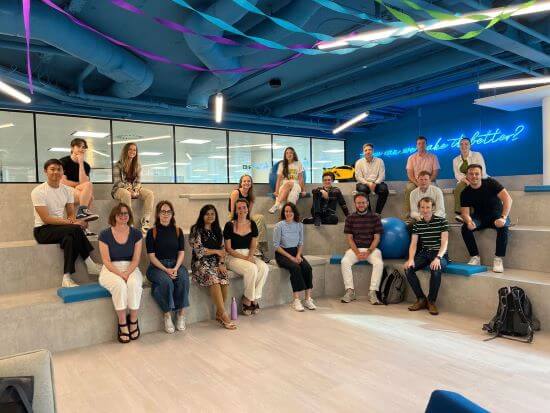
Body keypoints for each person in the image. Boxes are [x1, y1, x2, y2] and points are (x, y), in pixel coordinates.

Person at [32, 159, 101, 287]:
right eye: (52, 169)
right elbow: (46, 218)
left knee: (70, 238)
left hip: (61, 228)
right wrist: (71, 224)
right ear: (45, 171)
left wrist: (76, 221)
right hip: (43, 230)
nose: (56, 172)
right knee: (75, 230)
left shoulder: (67, 190)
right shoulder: (38, 191)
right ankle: (90, 263)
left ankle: (66, 277)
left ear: (63, 172)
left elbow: (70, 214)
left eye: (59, 169)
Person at [98, 203, 144, 343]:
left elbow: (136, 259)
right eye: (120, 214)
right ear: (114, 216)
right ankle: (122, 323)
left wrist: (128, 273)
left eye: (126, 213)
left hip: (131, 267)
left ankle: (134, 321)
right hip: (111, 269)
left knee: (134, 284)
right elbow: (106, 260)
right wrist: (120, 274)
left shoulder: (136, 233)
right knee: (119, 285)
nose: (123, 216)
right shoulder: (105, 234)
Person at [189, 205, 236, 330]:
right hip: (200, 263)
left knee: (224, 278)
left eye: (213, 214)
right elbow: (199, 251)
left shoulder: (217, 230)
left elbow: (222, 249)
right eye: (207, 214)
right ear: (202, 215)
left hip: (215, 263)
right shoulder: (196, 229)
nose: (210, 216)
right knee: (214, 279)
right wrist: (216, 252)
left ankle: (218, 313)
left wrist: (221, 263)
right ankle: (224, 314)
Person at [146, 201, 190, 334]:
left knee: (183, 278)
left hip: (175, 264)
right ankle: (167, 315)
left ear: (172, 214)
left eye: (168, 212)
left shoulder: (178, 231)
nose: (165, 214)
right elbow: (152, 257)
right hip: (157, 267)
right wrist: (166, 270)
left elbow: (182, 253)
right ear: (158, 214)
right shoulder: (151, 232)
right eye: (162, 211)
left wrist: (176, 268)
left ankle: (181, 315)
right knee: (166, 282)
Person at [460, 164, 512, 273]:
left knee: (504, 227)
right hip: (480, 217)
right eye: (471, 174)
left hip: (497, 215)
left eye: (477, 174)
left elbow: (508, 199)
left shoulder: (491, 183)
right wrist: (469, 221)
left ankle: (498, 258)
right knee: (465, 227)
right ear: (467, 176)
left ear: (481, 175)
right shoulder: (465, 192)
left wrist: (503, 217)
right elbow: (465, 213)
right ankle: (475, 257)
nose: (474, 176)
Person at [404, 197, 449, 316]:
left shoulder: (442, 221)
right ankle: (421, 299)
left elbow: (445, 243)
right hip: (424, 253)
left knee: (435, 268)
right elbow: (413, 244)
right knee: (408, 269)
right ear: (419, 209)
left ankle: (431, 301)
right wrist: (410, 259)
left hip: (439, 253)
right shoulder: (418, 224)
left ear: (433, 208)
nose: (425, 210)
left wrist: (438, 258)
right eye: (422, 207)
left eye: (428, 207)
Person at [224, 199, 269, 316]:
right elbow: (228, 249)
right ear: (235, 210)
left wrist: (250, 256)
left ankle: (252, 298)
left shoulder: (252, 224)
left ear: (248, 209)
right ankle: (247, 301)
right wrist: (245, 258)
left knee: (264, 268)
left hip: (248, 254)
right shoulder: (229, 225)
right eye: (239, 208)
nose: (242, 210)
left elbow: (253, 244)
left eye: (244, 207)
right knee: (252, 268)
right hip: (233, 256)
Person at [340, 193, 385, 305]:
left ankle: (372, 292)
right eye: (358, 203)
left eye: (363, 202)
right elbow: (350, 239)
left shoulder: (375, 217)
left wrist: (368, 251)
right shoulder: (350, 218)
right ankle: (350, 291)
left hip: (372, 250)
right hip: (355, 249)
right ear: (355, 204)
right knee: (345, 261)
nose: (361, 205)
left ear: (367, 203)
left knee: (379, 263)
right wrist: (357, 253)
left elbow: (377, 238)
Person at [273, 202, 316, 312]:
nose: (288, 213)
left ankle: (307, 299)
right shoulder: (279, 226)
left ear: (294, 212)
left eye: (290, 211)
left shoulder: (299, 225)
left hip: (296, 252)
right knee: (295, 268)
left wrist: (297, 255)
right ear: (283, 213)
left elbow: (301, 243)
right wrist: (291, 258)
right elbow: (276, 246)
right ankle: (296, 300)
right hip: (282, 253)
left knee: (307, 268)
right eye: (286, 211)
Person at [112, 142, 155, 235]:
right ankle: (129, 222)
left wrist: (135, 190)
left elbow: (138, 182)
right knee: (126, 194)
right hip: (119, 189)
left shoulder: (137, 165)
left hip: (133, 189)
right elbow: (118, 182)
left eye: (134, 150)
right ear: (125, 151)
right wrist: (129, 189)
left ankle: (145, 221)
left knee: (149, 194)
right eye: (130, 149)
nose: (132, 151)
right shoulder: (118, 165)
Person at [228, 174, 269, 262]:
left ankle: (259, 248)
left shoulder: (252, 196)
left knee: (260, 218)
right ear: (241, 183)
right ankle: (257, 250)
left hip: (245, 216)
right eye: (244, 181)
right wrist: (233, 222)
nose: (247, 183)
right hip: (235, 216)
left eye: (248, 181)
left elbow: (248, 213)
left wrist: (249, 222)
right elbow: (232, 211)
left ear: (251, 183)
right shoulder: (236, 193)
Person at [59, 138, 99, 223]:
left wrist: (81, 163)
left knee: (88, 185)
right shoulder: (63, 162)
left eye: (83, 147)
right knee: (89, 197)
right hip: (63, 190)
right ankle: (83, 224)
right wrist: (77, 185)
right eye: (78, 146)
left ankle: (82, 213)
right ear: (72, 148)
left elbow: (85, 183)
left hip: (76, 190)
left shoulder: (86, 166)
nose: (81, 149)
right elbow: (63, 182)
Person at [452, 138, 487, 222]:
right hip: (464, 180)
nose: (464, 146)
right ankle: (461, 214)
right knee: (459, 187)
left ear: (470, 145)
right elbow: (457, 174)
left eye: (466, 144)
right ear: (459, 146)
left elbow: (482, 170)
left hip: (479, 178)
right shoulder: (455, 160)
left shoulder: (477, 155)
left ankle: (474, 215)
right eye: (461, 144)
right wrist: (467, 181)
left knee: (473, 189)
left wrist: (472, 180)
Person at [404, 136, 440, 219]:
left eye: (423, 143)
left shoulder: (433, 157)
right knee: (409, 188)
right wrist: (418, 183)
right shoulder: (411, 158)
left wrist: (427, 182)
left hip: (430, 181)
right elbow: (410, 174)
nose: (421, 145)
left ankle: (435, 213)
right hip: (415, 181)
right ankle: (409, 214)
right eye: (419, 143)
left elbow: (435, 172)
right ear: (416, 145)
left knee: (435, 188)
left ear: (426, 145)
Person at [354, 143, 389, 215]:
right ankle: (368, 213)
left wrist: (375, 183)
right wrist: (368, 183)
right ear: (363, 152)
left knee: (384, 190)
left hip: (377, 183)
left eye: (369, 150)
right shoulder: (359, 162)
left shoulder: (380, 161)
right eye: (366, 150)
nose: (368, 151)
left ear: (373, 151)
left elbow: (382, 175)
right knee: (362, 190)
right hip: (363, 183)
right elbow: (358, 177)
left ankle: (377, 213)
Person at [269, 147, 306, 214]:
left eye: (291, 153)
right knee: (290, 199)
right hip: (284, 186)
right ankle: (286, 218)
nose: (289, 154)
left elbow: (301, 178)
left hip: (296, 185)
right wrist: (276, 191)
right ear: (285, 155)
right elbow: (278, 179)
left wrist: (303, 190)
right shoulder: (281, 165)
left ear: (294, 154)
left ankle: (276, 205)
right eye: (287, 153)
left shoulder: (298, 163)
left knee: (289, 184)